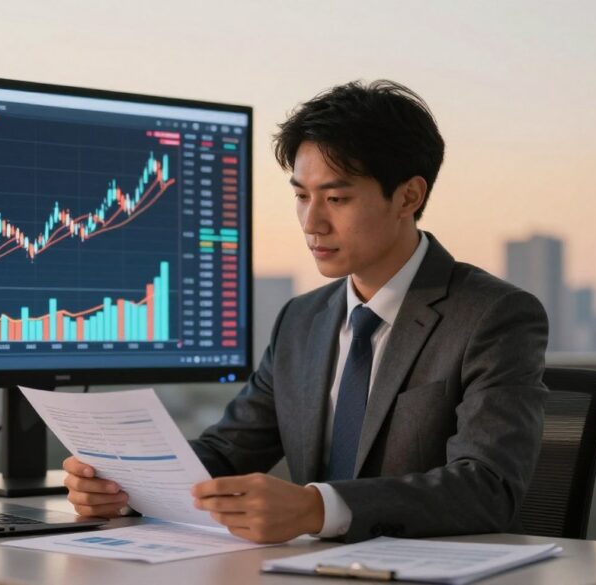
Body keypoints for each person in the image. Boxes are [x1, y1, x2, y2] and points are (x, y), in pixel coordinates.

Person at [62, 80, 548, 544]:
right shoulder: (302, 319)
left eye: (336, 198)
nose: (312, 222)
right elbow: (229, 451)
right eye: (300, 196)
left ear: (408, 196)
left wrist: (318, 508)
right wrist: (126, 485)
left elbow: (488, 487)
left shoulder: (494, 315)